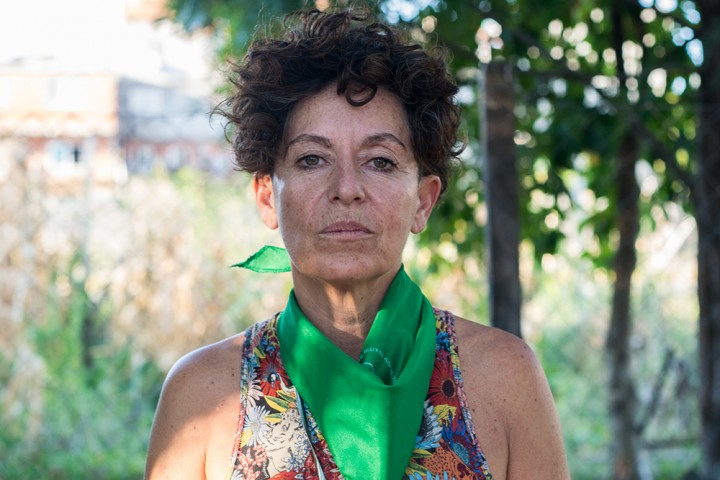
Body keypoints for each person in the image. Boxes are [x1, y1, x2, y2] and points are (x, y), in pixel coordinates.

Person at [145, 7, 569, 480]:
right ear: (267, 196)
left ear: (423, 201)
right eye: (312, 159)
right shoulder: (202, 397)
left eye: (380, 161)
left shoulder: (505, 379)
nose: (346, 189)